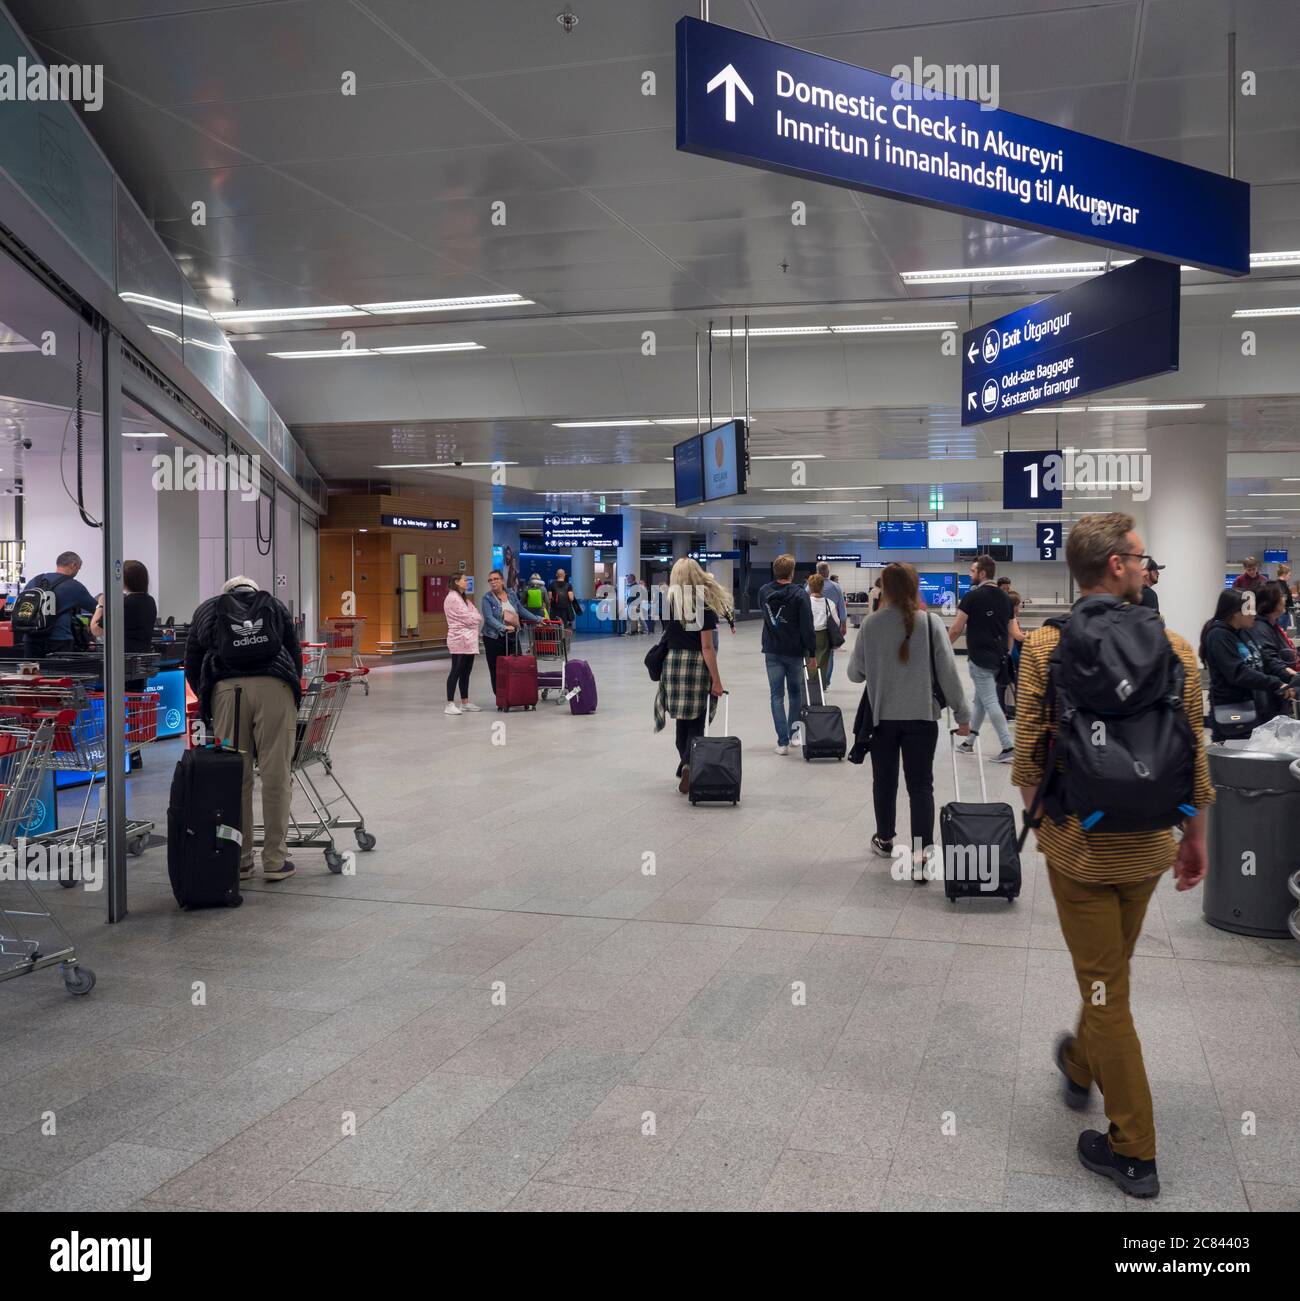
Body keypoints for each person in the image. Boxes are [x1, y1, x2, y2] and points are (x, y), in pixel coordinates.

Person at [1014, 513, 1213, 1199]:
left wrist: (1043, 828)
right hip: (1151, 845)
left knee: (1106, 992)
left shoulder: (1045, 645)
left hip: (1081, 850)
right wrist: (1194, 837)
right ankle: (1077, 1061)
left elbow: (1027, 755)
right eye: (1141, 555)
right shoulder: (1178, 648)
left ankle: (1133, 1148)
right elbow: (1195, 755)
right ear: (1118, 566)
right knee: (1109, 978)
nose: (1148, 565)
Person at [848, 562, 970, 879]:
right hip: (922, 718)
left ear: (884, 589)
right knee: (921, 786)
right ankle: (920, 854)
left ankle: (886, 839)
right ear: (915, 587)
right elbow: (948, 674)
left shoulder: (871, 625)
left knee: (884, 782)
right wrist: (963, 716)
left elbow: (854, 673)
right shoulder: (930, 624)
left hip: (882, 720)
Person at [184, 575, 303, 882]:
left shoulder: (208, 609)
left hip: (227, 692)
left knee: (236, 777)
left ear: (226, 594)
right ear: (253, 590)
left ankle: (240, 860)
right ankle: (275, 860)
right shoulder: (274, 606)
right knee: (277, 774)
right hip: (275, 689)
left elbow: (192, 660)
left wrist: (208, 697)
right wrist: (291, 691)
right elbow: (294, 652)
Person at [652, 558, 728, 793]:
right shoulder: (703, 604)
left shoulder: (668, 603)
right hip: (695, 664)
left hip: (673, 664)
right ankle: (688, 763)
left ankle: (684, 761)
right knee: (697, 719)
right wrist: (716, 679)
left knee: (681, 719)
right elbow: (707, 648)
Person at [948, 554, 1019, 763]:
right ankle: (969, 743)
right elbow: (1010, 631)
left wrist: (940, 648)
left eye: (972, 571)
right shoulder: (1006, 598)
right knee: (980, 701)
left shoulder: (972, 596)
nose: (970, 574)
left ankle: (1008, 746)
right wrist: (1005, 653)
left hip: (980, 658)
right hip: (998, 658)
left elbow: (956, 629)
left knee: (989, 701)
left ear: (982, 573)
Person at [1201, 587, 1294, 739]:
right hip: (1233, 712)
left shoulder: (1244, 632)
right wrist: (1276, 684)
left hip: (1253, 708)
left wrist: (1288, 674)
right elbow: (1238, 673)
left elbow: (1265, 660)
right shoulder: (1218, 636)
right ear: (1235, 612)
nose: (1254, 614)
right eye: (1249, 609)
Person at [757, 554, 817, 755]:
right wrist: (812, 653)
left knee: (776, 695)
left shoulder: (764, 592)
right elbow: (807, 626)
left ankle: (781, 743)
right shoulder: (800, 595)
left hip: (772, 650)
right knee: (795, 694)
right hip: (794, 651)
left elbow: (764, 615)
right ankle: (794, 737)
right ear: (792, 572)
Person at [89, 559, 157, 693]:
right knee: (136, 701)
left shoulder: (124, 603)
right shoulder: (150, 601)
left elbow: (96, 629)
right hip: (142, 661)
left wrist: (101, 605)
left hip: (123, 663)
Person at [16, 551, 97, 656]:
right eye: (79, 568)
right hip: (59, 640)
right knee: (58, 672)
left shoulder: (35, 580)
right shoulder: (73, 586)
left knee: (32, 671)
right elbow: (96, 608)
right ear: (74, 565)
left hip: (30, 639)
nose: (78, 571)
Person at [482, 568, 540, 695]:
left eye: (496, 579)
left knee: (516, 664)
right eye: (490, 580)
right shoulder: (487, 598)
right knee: (496, 668)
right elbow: (489, 618)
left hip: (513, 635)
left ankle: (516, 693)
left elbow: (521, 610)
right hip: (494, 637)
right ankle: (501, 696)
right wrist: (503, 627)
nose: (493, 582)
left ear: (502, 581)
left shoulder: (511, 594)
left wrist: (537, 619)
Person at [442, 573, 483, 715]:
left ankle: (465, 702)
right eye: (465, 580)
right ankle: (449, 703)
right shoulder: (452, 598)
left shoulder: (464, 599)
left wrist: (474, 617)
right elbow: (468, 618)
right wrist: (473, 617)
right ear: (456, 582)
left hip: (469, 640)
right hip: (458, 639)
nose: (467, 582)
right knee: (456, 670)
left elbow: (477, 615)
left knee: (466, 672)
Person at [1251, 580, 1298, 680]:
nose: (1284, 599)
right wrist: (1295, 677)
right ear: (1271, 602)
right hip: (1282, 687)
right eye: (1281, 596)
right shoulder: (1261, 629)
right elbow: (1272, 664)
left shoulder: (1271, 625)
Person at [810, 561, 847, 684]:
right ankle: (825, 682)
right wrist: (843, 625)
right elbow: (841, 607)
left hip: (810, 629)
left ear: (817, 571)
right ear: (828, 572)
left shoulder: (807, 587)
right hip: (828, 628)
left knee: (811, 655)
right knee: (828, 655)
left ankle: (812, 681)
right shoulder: (836, 587)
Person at [808, 572, 834, 684]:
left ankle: (808, 684)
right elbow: (836, 621)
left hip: (807, 634)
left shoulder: (804, 601)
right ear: (822, 587)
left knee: (807, 660)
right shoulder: (829, 603)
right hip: (823, 635)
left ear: (809, 586)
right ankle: (821, 686)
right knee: (822, 662)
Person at [549, 568, 578, 638]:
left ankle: (556, 639)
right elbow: (571, 598)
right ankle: (563, 640)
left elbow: (549, 597)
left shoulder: (552, 584)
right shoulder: (568, 585)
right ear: (564, 575)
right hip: (565, 609)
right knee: (564, 625)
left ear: (556, 575)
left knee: (555, 625)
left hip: (554, 609)